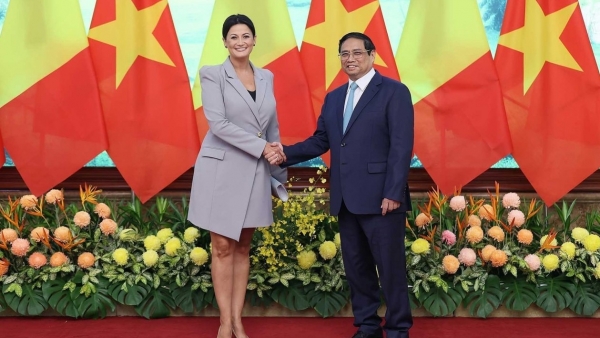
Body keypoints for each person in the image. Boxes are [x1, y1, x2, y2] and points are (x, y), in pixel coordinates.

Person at [270, 32, 413, 338]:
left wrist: (393, 192)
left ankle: (399, 329)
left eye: (357, 53)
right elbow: (322, 140)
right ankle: (367, 326)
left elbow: (402, 147)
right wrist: (284, 153)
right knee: (357, 269)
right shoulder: (335, 98)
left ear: (372, 55)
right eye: (344, 54)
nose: (350, 59)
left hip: (382, 200)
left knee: (390, 270)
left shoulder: (393, 92)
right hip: (346, 198)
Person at [188, 14, 286, 338]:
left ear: (255, 40)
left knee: (243, 246)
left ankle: (238, 320)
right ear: (225, 42)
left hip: (257, 170)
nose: (240, 41)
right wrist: (263, 148)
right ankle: (224, 322)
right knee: (222, 247)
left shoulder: (268, 76)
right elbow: (218, 124)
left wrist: (276, 166)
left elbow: (271, 127)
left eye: (246, 36)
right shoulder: (212, 75)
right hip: (221, 169)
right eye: (234, 37)